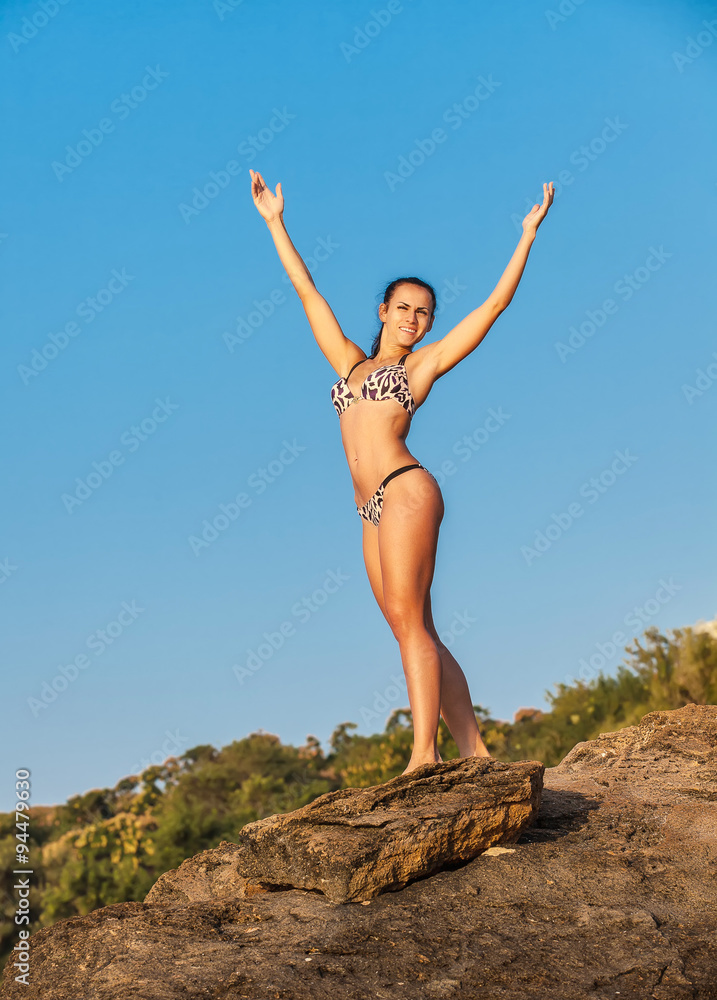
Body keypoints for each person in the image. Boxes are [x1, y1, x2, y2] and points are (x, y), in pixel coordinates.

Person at [250, 169, 555, 775]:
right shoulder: (348, 362)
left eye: (425, 314)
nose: (414, 320)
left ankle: (424, 756)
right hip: (368, 510)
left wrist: (526, 234)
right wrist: (275, 222)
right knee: (411, 628)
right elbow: (307, 292)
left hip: (405, 488)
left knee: (413, 622)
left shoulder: (420, 368)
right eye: (405, 309)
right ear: (384, 310)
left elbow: (493, 306)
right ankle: (477, 751)